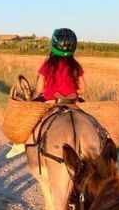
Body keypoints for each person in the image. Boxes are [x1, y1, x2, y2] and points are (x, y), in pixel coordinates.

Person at [7, 27, 86, 157]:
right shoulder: (76, 66)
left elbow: (39, 90)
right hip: (74, 101)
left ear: (54, 45)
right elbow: (83, 89)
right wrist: (71, 90)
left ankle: (20, 144)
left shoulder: (48, 65)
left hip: (50, 101)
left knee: (28, 117)